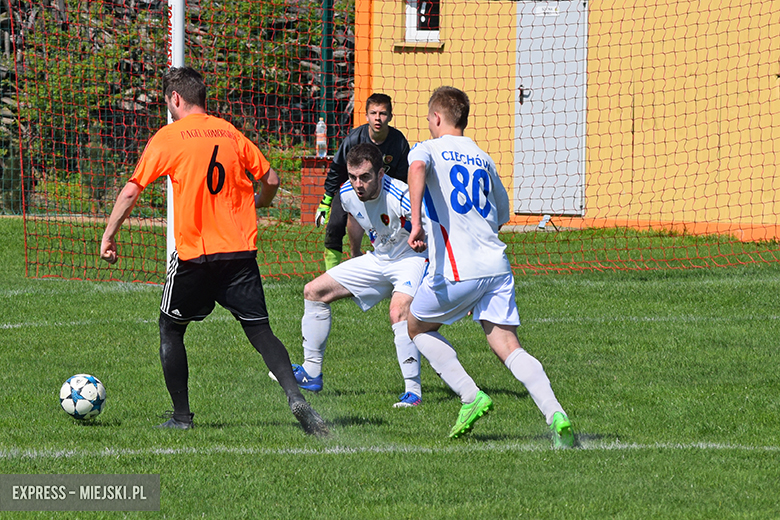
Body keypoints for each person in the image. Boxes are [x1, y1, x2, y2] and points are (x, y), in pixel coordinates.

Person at [99, 66, 328, 436]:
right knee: (261, 332)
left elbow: (131, 190)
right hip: (240, 253)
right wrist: (260, 202)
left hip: (195, 255)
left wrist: (109, 236)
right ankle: (294, 397)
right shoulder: (230, 132)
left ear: (175, 99)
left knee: (170, 329)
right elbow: (271, 179)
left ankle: (181, 418)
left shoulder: (169, 136)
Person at [405, 86, 574, 448]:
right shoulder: (483, 158)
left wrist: (417, 222)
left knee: (415, 327)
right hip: (496, 266)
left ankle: (470, 396)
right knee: (508, 345)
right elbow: (501, 213)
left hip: (457, 268)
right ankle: (556, 414)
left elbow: (416, 167)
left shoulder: (426, 148)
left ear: (436, 118)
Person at [281, 142, 427, 407]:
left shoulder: (402, 195)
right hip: (378, 258)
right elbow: (357, 221)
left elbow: (437, 231)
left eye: (365, 177)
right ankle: (312, 372)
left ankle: (413, 393)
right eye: (353, 176)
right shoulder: (347, 193)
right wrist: (356, 254)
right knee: (313, 291)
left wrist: (445, 274)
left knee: (398, 311)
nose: (358, 184)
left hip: (411, 259)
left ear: (381, 174)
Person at [315, 93, 410, 270]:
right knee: (334, 226)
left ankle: (396, 263)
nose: (378, 118)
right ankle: (333, 272)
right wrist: (326, 200)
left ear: (390, 116)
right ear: (366, 116)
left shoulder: (399, 142)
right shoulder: (353, 139)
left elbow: (404, 177)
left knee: (395, 229)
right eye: (373, 113)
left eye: (382, 113)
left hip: (385, 193)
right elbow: (337, 168)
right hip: (352, 189)